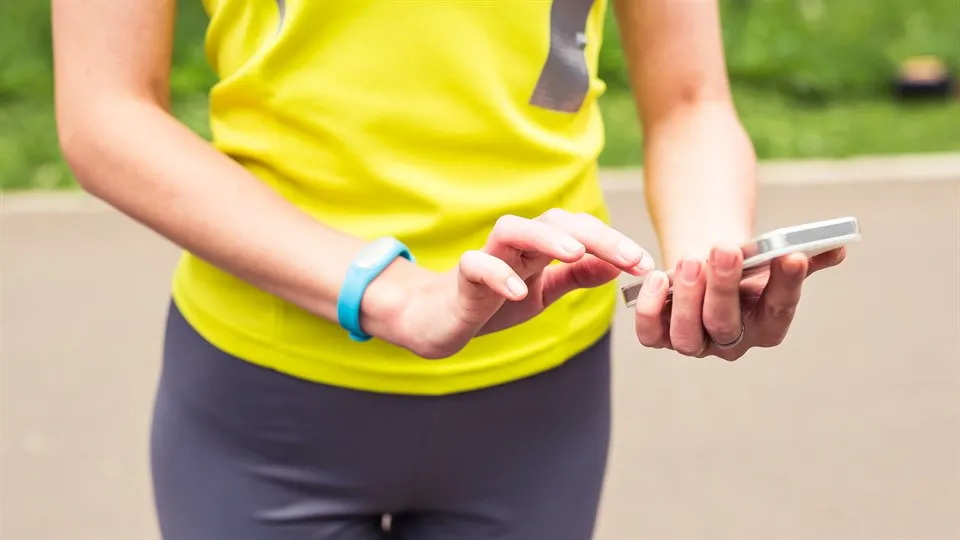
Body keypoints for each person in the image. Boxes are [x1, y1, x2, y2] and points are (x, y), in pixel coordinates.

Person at [51, 0, 846, 538]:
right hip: (266, 403)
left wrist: (711, 258)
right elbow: (104, 112)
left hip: (540, 406)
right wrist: (390, 293)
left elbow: (691, 100)